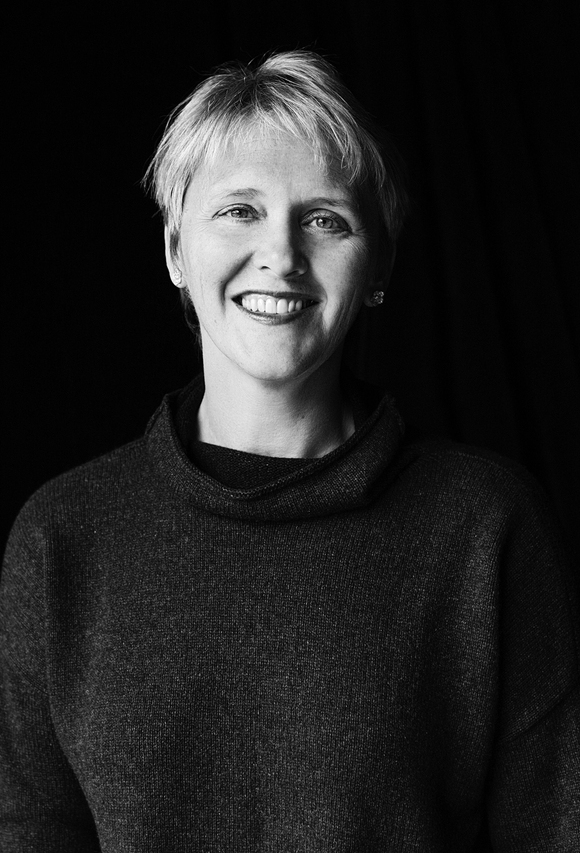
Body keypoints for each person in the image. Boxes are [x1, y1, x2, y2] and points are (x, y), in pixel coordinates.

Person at [1, 50, 578, 852]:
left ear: (377, 265)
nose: (281, 253)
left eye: (325, 219)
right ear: (175, 251)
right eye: (239, 209)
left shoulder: (486, 525)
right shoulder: (61, 537)